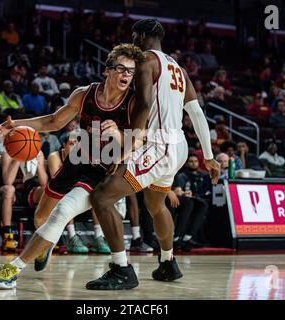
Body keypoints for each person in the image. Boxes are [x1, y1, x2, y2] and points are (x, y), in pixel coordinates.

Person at [0, 43, 144, 289]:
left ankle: (13, 269)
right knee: (41, 215)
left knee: (63, 212)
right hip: (78, 159)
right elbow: (53, 121)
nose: (126, 75)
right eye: (121, 69)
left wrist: (119, 136)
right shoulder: (84, 94)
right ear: (107, 70)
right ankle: (46, 244)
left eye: (131, 72)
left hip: (103, 169)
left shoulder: (134, 103)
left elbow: (140, 141)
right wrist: (15, 125)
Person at [86, 19, 219, 290]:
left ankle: (121, 269)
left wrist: (127, 148)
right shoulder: (179, 70)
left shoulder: (146, 60)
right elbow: (196, 113)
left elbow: (144, 104)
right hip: (179, 145)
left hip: (160, 145)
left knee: (101, 197)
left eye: (135, 36)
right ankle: (168, 263)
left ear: (145, 36)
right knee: (156, 205)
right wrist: (208, 156)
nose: (133, 41)